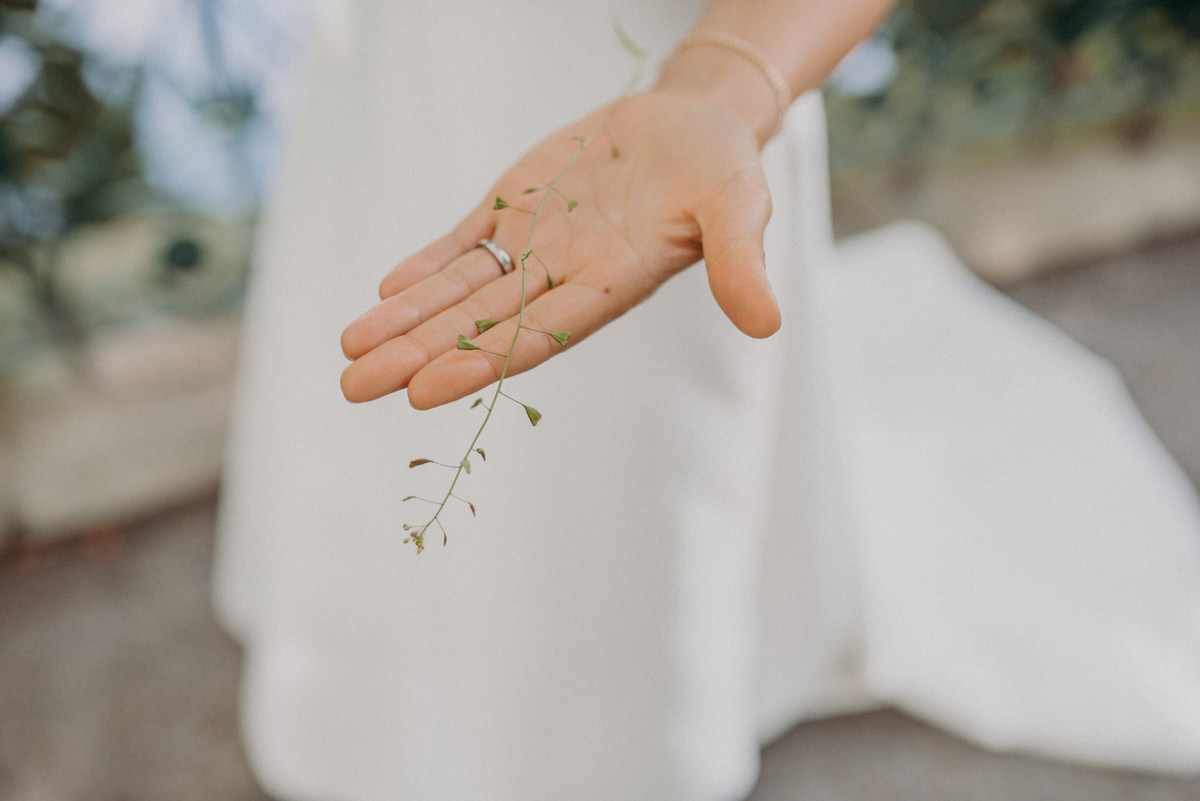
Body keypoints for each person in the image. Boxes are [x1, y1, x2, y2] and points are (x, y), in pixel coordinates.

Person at [214, 1, 1200, 799]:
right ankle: (380, 692)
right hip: (403, 59)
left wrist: (722, 80)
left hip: (672, 99)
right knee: (399, 355)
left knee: (609, 495)